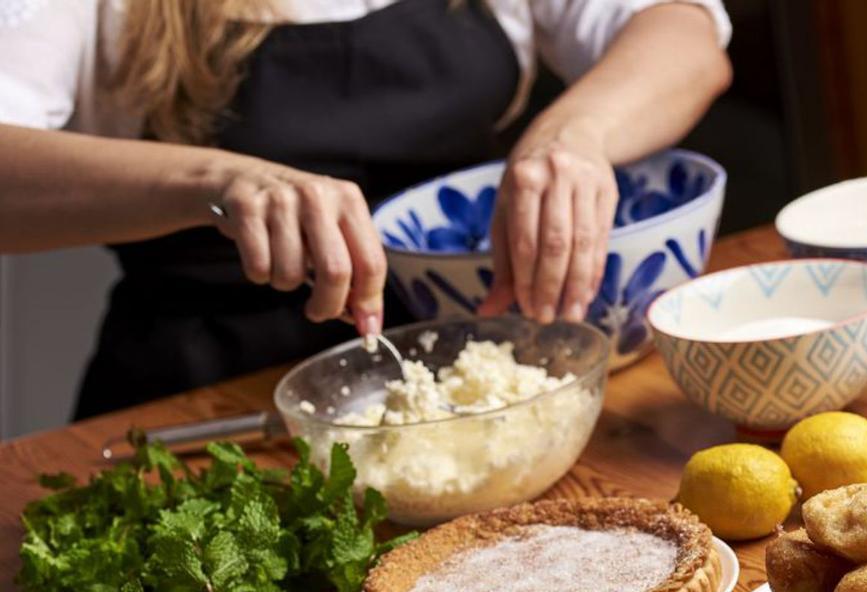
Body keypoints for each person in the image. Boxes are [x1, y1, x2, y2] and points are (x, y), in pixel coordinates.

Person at [0, 0, 731, 418]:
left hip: (476, 384)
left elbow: (685, 33)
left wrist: (572, 137)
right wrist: (214, 179)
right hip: (206, 401)